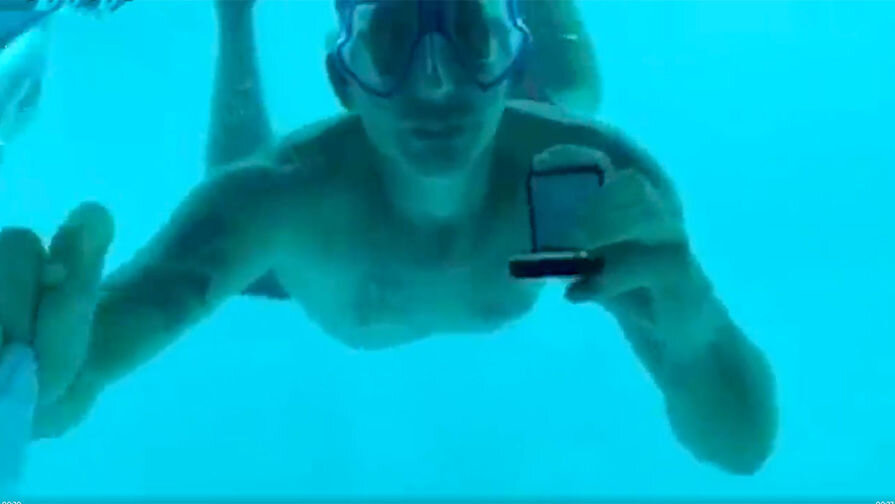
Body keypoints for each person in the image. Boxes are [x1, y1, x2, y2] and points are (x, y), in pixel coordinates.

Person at [1, 0, 778, 477]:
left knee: (574, 96)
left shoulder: (580, 180)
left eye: (472, 40)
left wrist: (694, 319)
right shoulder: (281, 202)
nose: (434, 82)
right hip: (289, 249)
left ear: (510, 65)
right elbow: (87, 362)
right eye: (391, 41)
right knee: (237, 184)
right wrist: (45, 376)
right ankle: (235, 11)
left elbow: (739, 443)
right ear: (343, 80)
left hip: (509, 144)